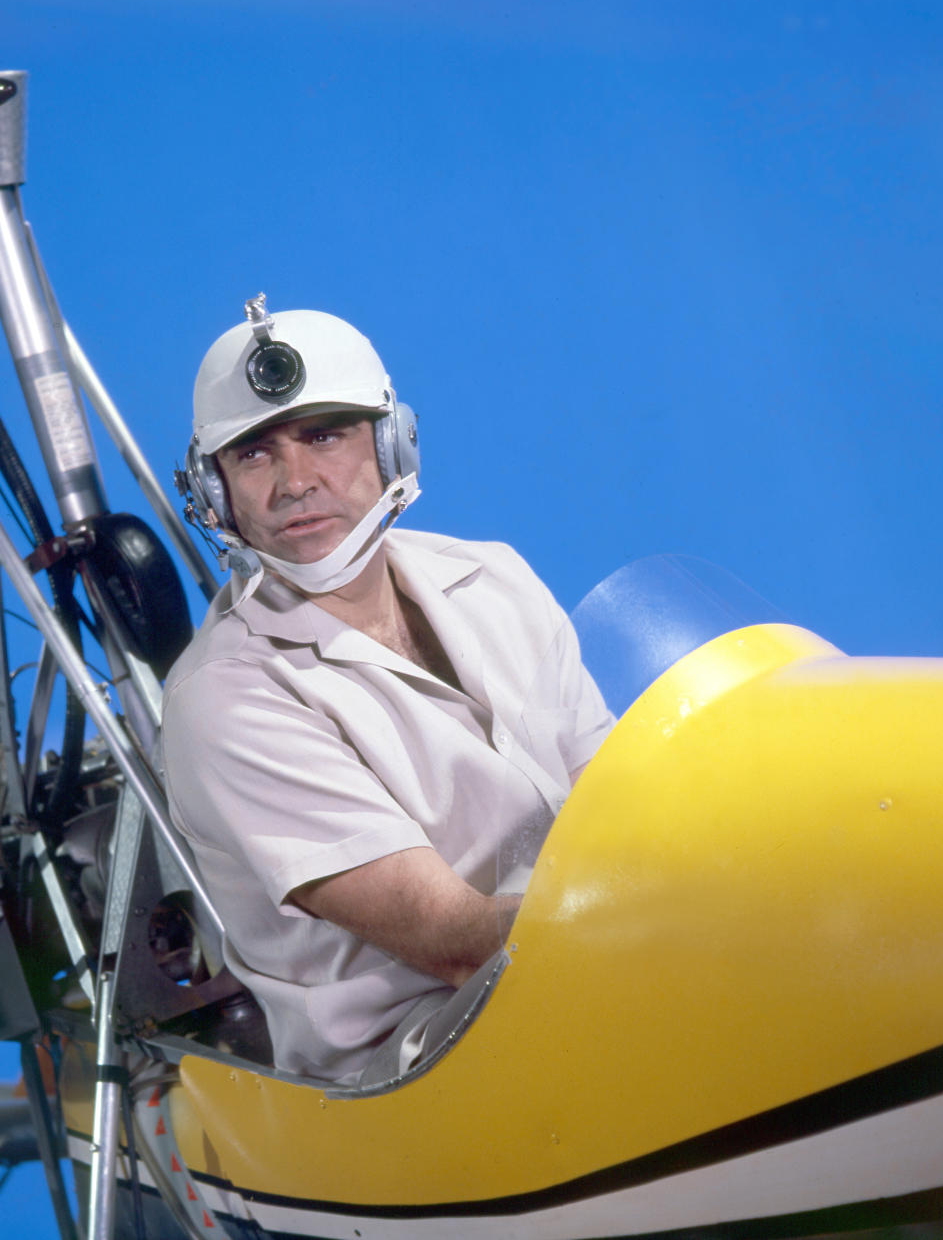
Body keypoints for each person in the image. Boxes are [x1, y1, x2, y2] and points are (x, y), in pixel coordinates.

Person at [162, 296, 613, 1085]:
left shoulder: (493, 578)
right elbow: (455, 939)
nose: (296, 482)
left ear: (392, 442)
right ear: (215, 491)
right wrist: (663, 911)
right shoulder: (224, 699)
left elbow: (622, 801)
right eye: (254, 455)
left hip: (586, 979)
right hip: (425, 1073)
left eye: (325, 436)